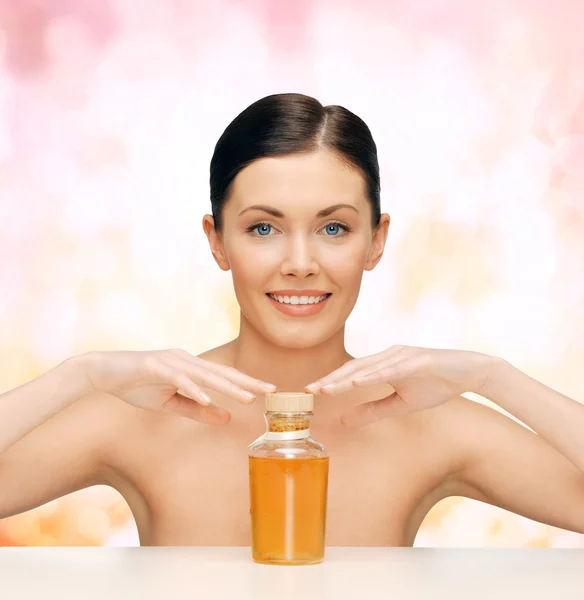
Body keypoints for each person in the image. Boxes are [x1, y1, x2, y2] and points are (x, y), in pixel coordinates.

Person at [1, 93, 583, 546]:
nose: (300, 264)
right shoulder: (134, 416)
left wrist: (493, 376)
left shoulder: (430, 425)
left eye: (334, 228)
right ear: (218, 241)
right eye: (263, 228)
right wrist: (78, 376)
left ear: (376, 241)